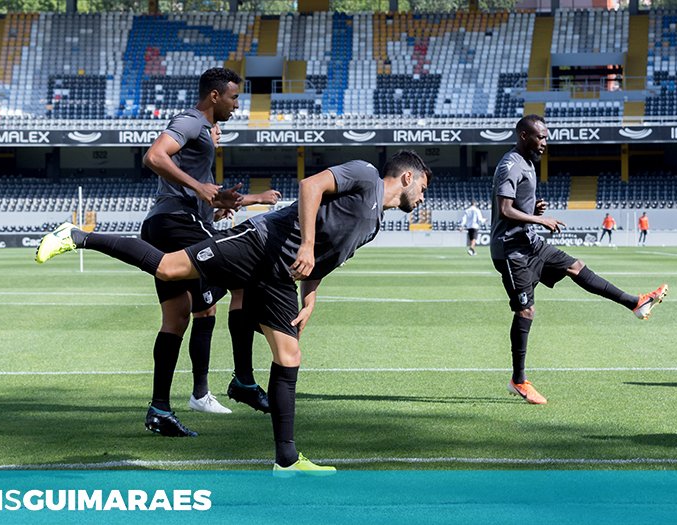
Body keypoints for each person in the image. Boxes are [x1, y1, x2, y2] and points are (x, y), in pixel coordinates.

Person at [35, 150, 432, 473]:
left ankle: (287, 459)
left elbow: (324, 260)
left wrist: (311, 296)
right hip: (259, 243)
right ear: (407, 177)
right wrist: (306, 245)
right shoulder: (364, 174)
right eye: (423, 189)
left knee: (289, 355)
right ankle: (77, 235)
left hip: (280, 276)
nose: (422, 200)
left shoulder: (374, 224)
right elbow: (310, 186)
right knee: (169, 268)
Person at [138, 66, 279, 438]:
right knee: (246, 274)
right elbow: (154, 156)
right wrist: (200, 189)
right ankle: (244, 381)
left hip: (167, 223)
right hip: (176, 222)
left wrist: (224, 201)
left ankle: (160, 409)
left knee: (179, 317)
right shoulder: (190, 121)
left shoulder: (204, 134)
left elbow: (203, 193)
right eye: (234, 97)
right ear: (215, 96)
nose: (237, 104)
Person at [490, 115, 668, 405]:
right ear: (523, 136)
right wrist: (540, 219)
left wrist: (533, 209)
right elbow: (504, 210)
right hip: (512, 251)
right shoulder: (510, 164)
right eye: (540, 137)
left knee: (575, 266)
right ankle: (518, 381)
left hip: (530, 242)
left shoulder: (528, 163)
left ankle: (635, 303)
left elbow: (517, 207)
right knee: (525, 311)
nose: (545, 142)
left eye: (546, 137)